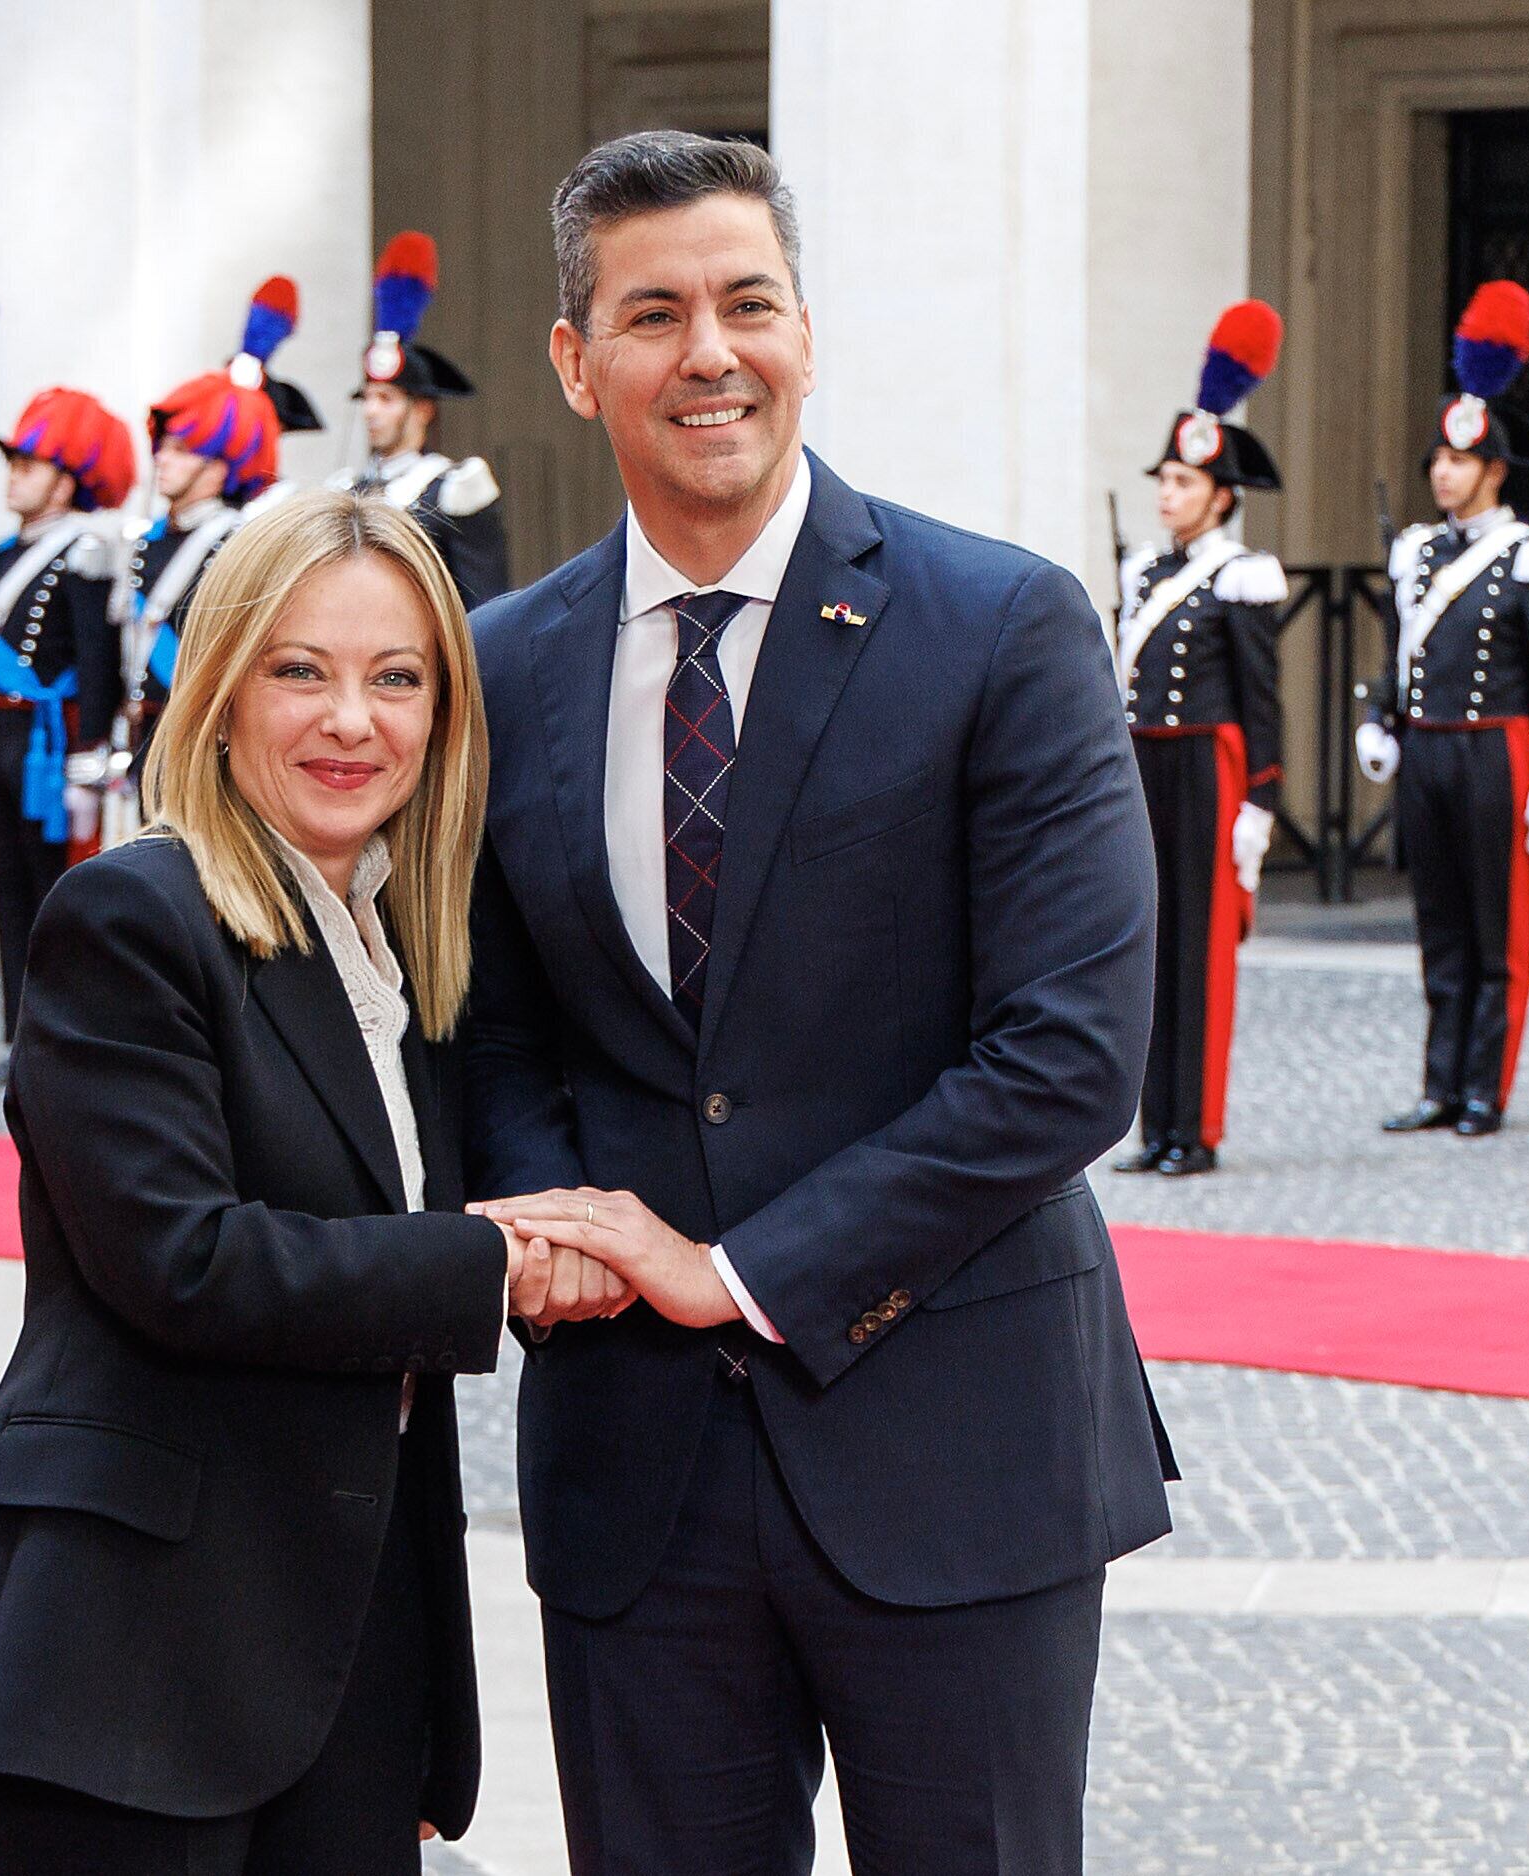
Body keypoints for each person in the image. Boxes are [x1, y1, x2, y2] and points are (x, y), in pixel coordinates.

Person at [458, 130, 1173, 1876]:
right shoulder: (503, 664)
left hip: (953, 1449)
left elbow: (1069, 1056)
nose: (708, 352)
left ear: (800, 329)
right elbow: (490, 1023)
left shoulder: (999, 624)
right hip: (631, 1468)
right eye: (652, 314)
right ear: (575, 362)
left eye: (745, 302)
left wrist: (738, 1272)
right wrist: (560, 1231)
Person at [0, 489, 627, 1871]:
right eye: (301, 669)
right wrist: (494, 1262)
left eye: (395, 679)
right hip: (118, 1679)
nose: (352, 720)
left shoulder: (408, 963)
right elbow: (190, 1264)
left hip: (335, 1690)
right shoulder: (133, 917)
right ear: (221, 690)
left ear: (444, 719)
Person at [1355, 279, 1529, 1138]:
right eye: (1437, 462)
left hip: (1499, 751)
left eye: (1457, 462)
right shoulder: (1416, 553)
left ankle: (1486, 1083)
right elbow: (1400, 652)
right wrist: (1382, 716)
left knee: (1498, 930)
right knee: (1441, 924)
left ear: (1493, 470)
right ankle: (1440, 1080)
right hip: (1431, 751)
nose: (1442, 473)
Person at [1110, 299, 1287, 1178]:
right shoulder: (1143, 570)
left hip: (1211, 768)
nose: (1165, 495)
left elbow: (1263, 698)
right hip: (1147, 761)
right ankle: (1157, 1125)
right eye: (1163, 482)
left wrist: (1260, 799)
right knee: (1151, 943)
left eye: (1181, 484)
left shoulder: (1242, 576)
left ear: (1220, 495)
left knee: (1201, 949)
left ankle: (1198, 1128)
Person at [0, 386, 131, 1061]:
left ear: (68, 479)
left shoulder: (85, 552)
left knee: (55, 896)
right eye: (13, 462)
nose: (15, 474)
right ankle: (17, 1033)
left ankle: (63, 1039)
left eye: (29, 464)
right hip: (1, 739)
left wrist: (89, 760)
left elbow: (98, 664)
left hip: (52, 746)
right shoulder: (2, 553)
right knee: (7, 889)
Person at [117, 279, 301, 795]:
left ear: (225, 463)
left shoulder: (237, 545)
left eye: (183, 448)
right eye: (164, 445)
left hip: (203, 743)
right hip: (143, 733)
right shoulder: (147, 540)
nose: (162, 458)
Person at [336, 231, 512, 607]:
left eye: (386, 399)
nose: (371, 411)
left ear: (422, 409)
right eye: (367, 398)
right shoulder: (345, 489)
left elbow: (484, 607)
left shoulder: (456, 489)